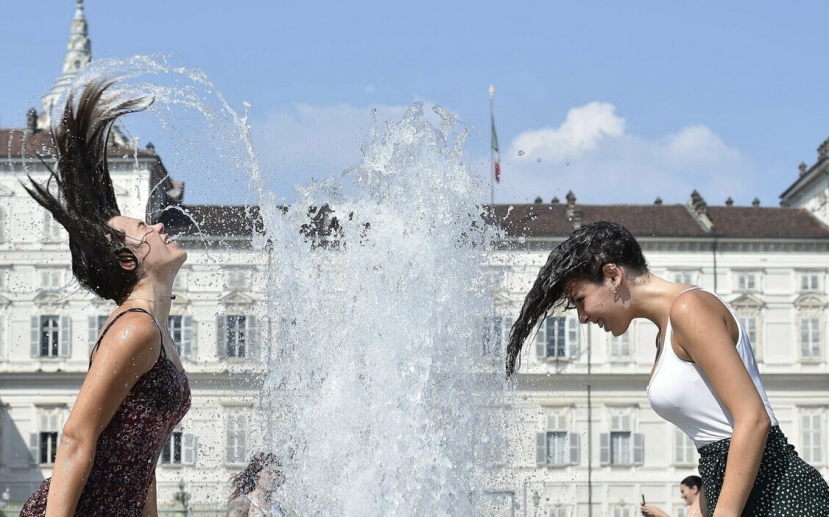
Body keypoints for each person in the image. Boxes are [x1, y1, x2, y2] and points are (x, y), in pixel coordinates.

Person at [506, 221, 829, 516]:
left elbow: (753, 419)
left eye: (580, 299)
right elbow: (719, 450)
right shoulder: (666, 335)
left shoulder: (690, 308)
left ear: (613, 275)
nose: (582, 316)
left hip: (784, 499)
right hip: (749, 499)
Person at [19, 79, 190, 516]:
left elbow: (143, 456)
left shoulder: (156, 333)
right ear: (128, 262)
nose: (157, 227)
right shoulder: (133, 327)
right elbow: (77, 436)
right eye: (142, 229)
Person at [227, 453, 291, 517]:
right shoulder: (242, 503)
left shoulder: (278, 507)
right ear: (256, 476)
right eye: (269, 472)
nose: (275, 477)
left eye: (277, 473)